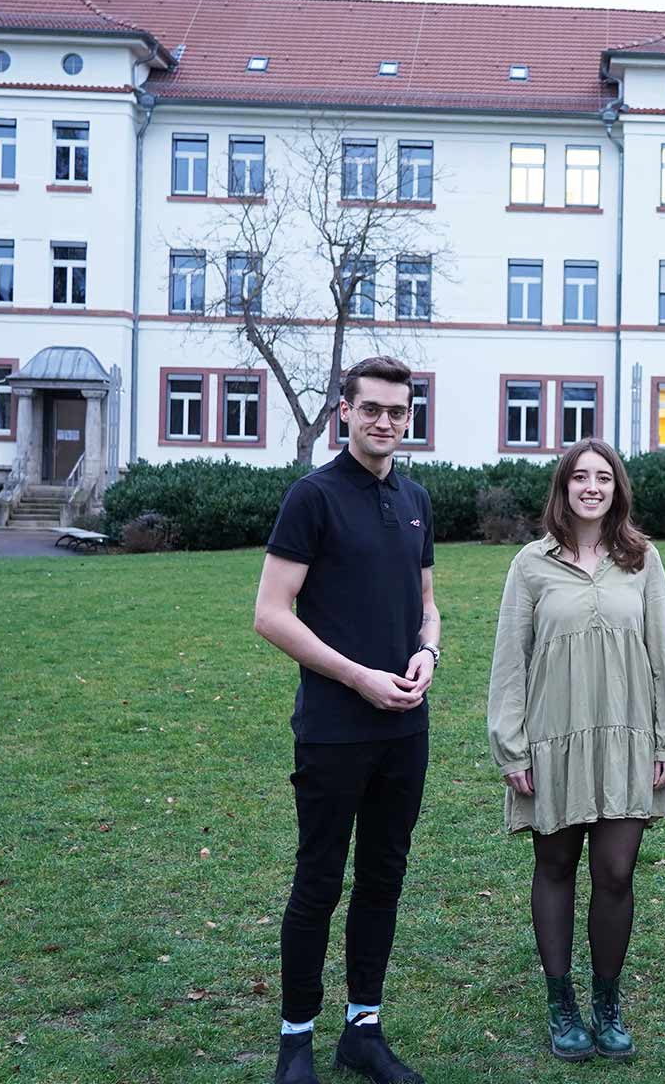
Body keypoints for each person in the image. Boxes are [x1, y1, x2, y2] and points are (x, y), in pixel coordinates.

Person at [253, 356, 440, 1084]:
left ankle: (363, 1030)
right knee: (319, 882)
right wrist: (358, 676)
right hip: (334, 726)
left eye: (398, 411)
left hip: (405, 727)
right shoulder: (313, 496)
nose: (386, 422)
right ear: (346, 411)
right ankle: (295, 1040)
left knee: (383, 879)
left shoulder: (418, 497)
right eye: (373, 409)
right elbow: (270, 614)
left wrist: (428, 650)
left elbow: (427, 603)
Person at [487, 438, 665, 1061]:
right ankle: (560, 1002)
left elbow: (664, 653)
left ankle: (607, 1000)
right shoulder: (531, 563)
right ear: (563, 488)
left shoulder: (642, 559)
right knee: (555, 867)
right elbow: (509, 663)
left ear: (617, 488)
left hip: (628, 735)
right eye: (580, 477)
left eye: (603, 477)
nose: (592, 487)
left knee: (617, 872)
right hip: (554, 738)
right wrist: (512, 749)